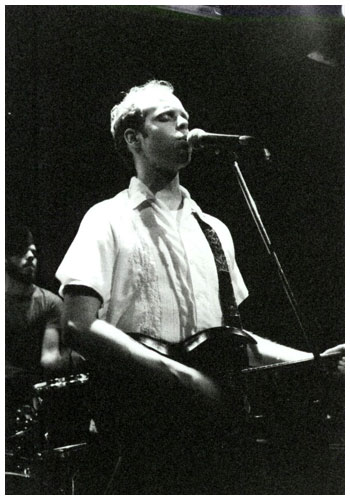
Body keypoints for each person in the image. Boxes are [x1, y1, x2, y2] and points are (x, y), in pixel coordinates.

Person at [56, 80, 344, 494]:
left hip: (213, 433)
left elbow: (233, 340)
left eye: (186, 119)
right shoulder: (106, 219)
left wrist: (313, 362)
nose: (183, 126)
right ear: (135, 139)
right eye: (166, 117)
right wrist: (182, 377)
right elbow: (78, 324)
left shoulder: (214, 230)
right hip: (140, 428)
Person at [5, 223, 85, 446]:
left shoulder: (50, 303)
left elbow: (49, 359)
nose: (31, 255)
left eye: (33, 249)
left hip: (33, 405)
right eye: (21, 250)